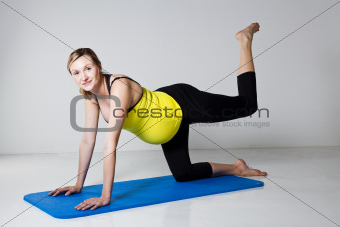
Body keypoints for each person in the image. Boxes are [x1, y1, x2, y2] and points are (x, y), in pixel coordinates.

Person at [48, 22, 267, 211]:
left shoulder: (119, 86)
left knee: (247, 106)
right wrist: (78, 185)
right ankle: (238, 168)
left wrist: (106, 197)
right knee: (184, 174)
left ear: (99, 66)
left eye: (88, 68)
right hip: (168, 128)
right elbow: (88, 141)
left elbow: (109, 145)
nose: (83, 76)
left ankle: (244, 40)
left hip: (181, 104)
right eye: (76, 72)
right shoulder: (90, 97)